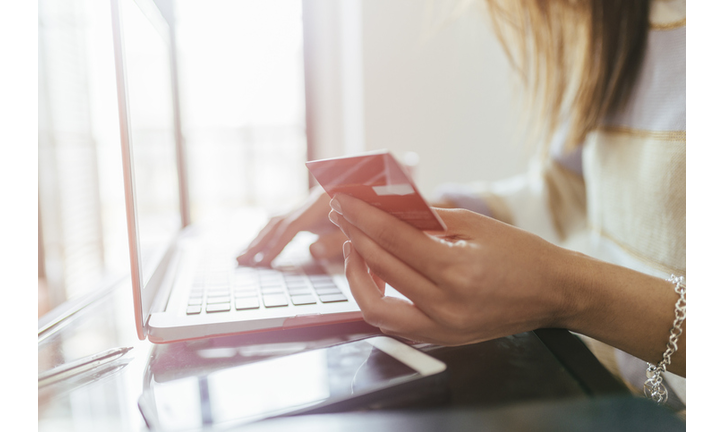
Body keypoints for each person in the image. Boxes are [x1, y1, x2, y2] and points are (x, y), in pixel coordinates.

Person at [238, 0, 686, 408]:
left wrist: (567, 291)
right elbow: (569, 191)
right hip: (595, 380)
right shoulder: (622, 23)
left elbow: (570, 277)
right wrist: (424, 218)